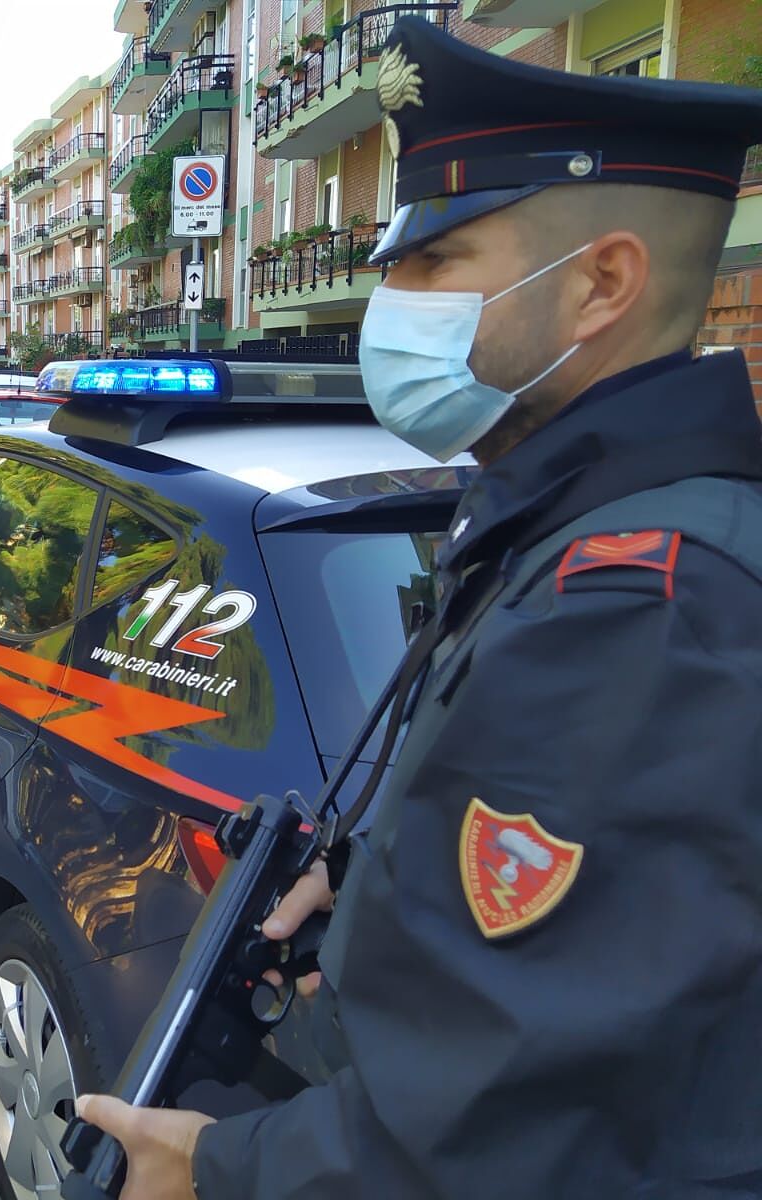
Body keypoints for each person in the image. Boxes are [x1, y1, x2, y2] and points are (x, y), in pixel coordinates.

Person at [76, 17, 762, 1198]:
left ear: (601, 283)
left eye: (434, 265)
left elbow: (514, 1121)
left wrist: (214, 1170)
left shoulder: (638, 602)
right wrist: (363, 870)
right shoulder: (562, 510)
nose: (389, 301)